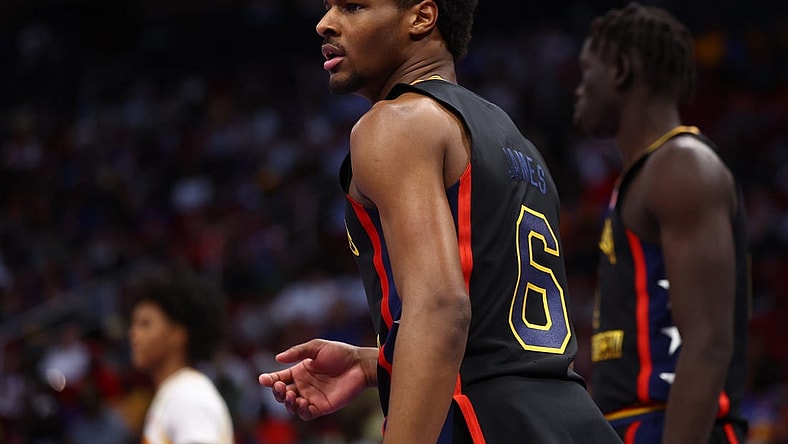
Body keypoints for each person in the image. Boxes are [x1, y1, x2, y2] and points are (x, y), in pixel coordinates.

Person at [258, 0, 622, 442]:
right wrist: (373, 364)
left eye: (353, 6)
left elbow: (442, 308)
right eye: (327, 6)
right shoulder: (510, 138)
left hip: (481, 421)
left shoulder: (394, 124)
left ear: (421, 17)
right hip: (568, 419)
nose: (325, 23)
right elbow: (498, 336)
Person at [573, 3, 750, 443]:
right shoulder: (646, 174)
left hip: (673, 426)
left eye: (586, 72)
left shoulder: (682, 167)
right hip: (635, 424)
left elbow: (708, 345)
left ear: (619, 69)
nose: (578, 90)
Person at [126, 264, 235, 444]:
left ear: (178, 334)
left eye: (145, 324)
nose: (133, 334)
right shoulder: (174, 393)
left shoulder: (187, 393)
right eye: (134, 324)